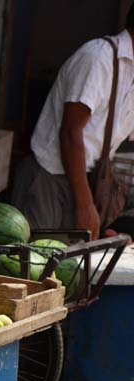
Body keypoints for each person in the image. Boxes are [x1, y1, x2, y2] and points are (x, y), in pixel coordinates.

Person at [12, 10, 134, 238]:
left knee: (65, 270)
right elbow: (70, 133)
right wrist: (85, 205)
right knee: (32, 265)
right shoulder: (99, 58)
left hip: (82, 184)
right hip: (47, 180)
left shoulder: (131, 74)